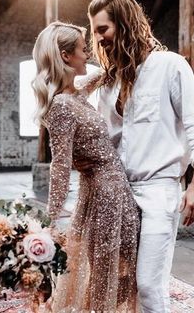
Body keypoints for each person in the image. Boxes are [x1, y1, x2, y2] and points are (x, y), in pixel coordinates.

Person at [75, 0, 194, 313]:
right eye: (94, 31)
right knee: (117, 282)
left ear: (124, 24)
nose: (98, 38)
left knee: (150, 286)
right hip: (115, 194)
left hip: (158, 190)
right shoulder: (106, 82)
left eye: (103, 29)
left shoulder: (170, 66)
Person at [32, 21, 140, 313]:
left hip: (115, 191)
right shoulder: (61, 106)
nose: (88, 55)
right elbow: (61, 164)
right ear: (66, 56)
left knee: (122, 270)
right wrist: (51, 220)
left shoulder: (76, 93)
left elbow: (103, 74)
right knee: (108, 272)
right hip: (104, 196)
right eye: (83, 49)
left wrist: (130, 52)